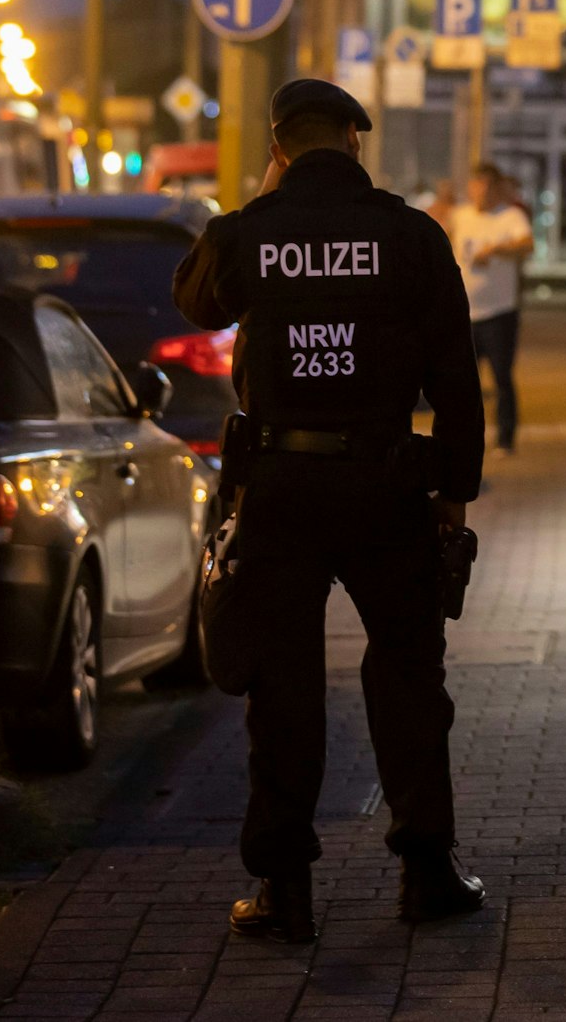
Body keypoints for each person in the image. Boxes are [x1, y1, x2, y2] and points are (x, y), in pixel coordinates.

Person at [172, 78, 488, 943]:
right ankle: (426, 872)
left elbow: (194, 298)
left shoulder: (247, 233)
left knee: (282, 689)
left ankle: (285, 891)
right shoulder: (410, 236)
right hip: (386, 486)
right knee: (410, 679)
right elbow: (455, 379)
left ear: (278, 148)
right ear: (355, 139)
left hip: (280, 488)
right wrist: (452, 495)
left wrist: (260, 202)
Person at [449, 162, 534, 456]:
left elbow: (526, 243)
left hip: (500, 313)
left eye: (486, 186)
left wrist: (496, 248)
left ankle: (505, 438)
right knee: (462, 382)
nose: (480, 192)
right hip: (465, 313)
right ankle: (462, 439)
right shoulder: (460, 216)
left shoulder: (510, 216)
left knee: (501, 377)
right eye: (476, 186)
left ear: (496, 188)